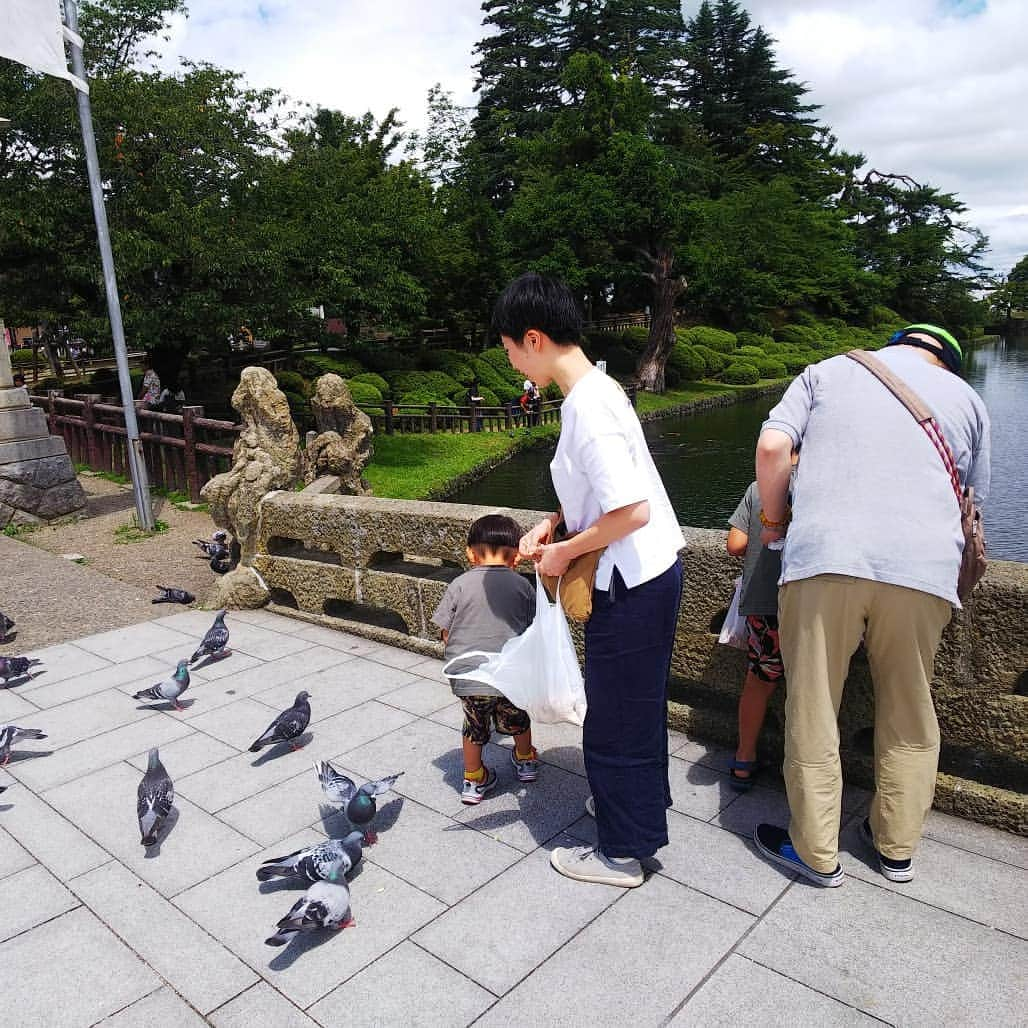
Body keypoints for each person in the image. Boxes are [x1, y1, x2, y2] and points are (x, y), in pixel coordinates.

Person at [752, 324, 990, 888]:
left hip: (825, 558)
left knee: (812, 709)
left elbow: (772, 448)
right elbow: (974, 501)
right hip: (924, 572)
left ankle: (815, 853)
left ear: (891, 347)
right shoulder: (971, 400)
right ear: (946, 362)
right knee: (910, 713)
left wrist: (772, 523)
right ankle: (896, 850)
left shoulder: (827, 372)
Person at [495, 272, 685, 888]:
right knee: (635, 705)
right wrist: (555, 522)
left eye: (508, 346)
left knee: (616, 715)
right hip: (650, 573)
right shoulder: (600, 390)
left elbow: (631, 510)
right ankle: (635, 805)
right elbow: (608, 493)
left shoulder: (587, 407)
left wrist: (562, 554)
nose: (508, 358)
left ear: (533, 338)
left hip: (630, 581)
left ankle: (621, 852)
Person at [431, 513, 539, 805]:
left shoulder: (459, 584)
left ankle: (474, 778)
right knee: (518, 719)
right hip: (508, 677)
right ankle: (526, 761)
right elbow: (530, 631)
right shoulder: (523, 587)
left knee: (474, 727)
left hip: (469, 677)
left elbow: (445, 632)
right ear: (516, 557)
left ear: (470, 553)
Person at [724, 455, 797, 790]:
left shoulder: (759, 488)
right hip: (805, 604)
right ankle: (800, 771)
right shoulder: (820, 491)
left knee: (758, 680)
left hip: (764, 607)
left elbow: (735, 544)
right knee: (809, 689)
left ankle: (743, 759)